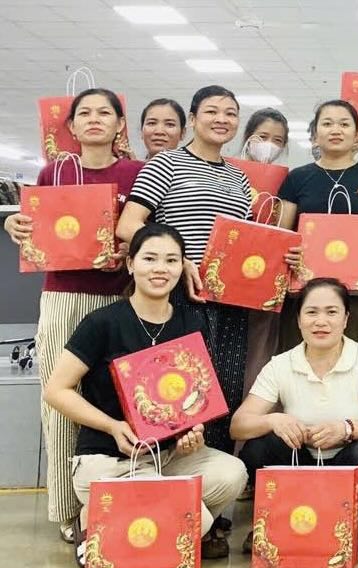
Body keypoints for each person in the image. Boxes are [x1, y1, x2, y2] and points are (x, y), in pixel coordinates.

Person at [117, 86, 301, 541]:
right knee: (178, 400)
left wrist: (285, 257)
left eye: (230, 113)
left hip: (232, 304)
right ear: (194, 117)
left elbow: (249, 244)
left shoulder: (239, 179)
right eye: (212, 111)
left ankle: (212, 516)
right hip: (179, 303)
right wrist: (180, 262)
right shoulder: (167, 164)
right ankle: (168, 505)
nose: (222, 119)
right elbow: (128, 224)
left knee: (221, 402)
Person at [43, 223, 248, 564]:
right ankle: (114, 523)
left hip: (168, 459)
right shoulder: (102, 322)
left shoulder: (191, 322)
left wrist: (191, 432)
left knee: (233, 473)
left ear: (182, 267)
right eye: (150, 258)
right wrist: (112, 425)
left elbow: (191, 400)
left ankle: (122, 528)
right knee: (198, 516)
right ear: (131, 264)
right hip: (109, 463)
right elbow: (56, 390)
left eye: (171, 260)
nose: (160, 269)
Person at [4, 88, 142, 543]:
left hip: (122, 298)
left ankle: (124, 496)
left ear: (121, 124)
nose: (95, 119)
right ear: (72, 126)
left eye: (106, 112)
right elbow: (33, 234)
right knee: (62, 400)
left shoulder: (137, 173)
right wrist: (14, 225)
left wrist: (131, 249)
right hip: (65, 295)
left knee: (123, 399)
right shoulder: (54, 171)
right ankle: (69, 508)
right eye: (85, 113)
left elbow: (149, 233)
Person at [231, 277, 358, 553]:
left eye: (332, 312)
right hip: (299, 460)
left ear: (346, 319)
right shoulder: (280, 365)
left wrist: (346, 430)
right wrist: (273, 419)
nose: (321, 321)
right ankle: (273, 520)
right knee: (259, 447)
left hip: (346, 459)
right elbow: (238, 426)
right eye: (311, 312)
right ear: (298, 320)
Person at [276, 100, 358, 350]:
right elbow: (281, 234)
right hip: (304, 290)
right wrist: (288, 253)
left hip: (355, 292)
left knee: (350, 358)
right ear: (315, 135)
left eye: (344, 124)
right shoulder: (297, 177)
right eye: (327, 124)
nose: (336, 130)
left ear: (357, 133)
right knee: (299, 357)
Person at [239, 107, 290, 402]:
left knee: (258, 361)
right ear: (248, 137)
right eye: (262, 136)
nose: (269, 144)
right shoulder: (229, 174)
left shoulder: (286, 182)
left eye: (278, 140)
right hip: (223, 280)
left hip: (265, 284)